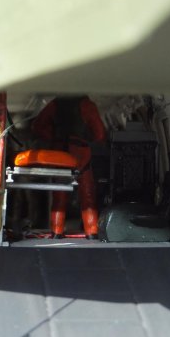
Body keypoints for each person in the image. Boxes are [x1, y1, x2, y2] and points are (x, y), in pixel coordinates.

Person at [31, 95, 106, 239]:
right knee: (87, 195)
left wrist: (52, 138)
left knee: (59, 194)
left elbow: (37, 126)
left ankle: (57, 231)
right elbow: (100, 133)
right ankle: (92, 232)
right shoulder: (87, 105)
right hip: (80, 152)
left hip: (60, 153)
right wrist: (90, 141)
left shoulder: (54, 104)